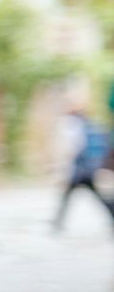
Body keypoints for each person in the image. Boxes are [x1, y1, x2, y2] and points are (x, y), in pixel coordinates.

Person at [52, 94, 114, 233]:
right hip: (87, 169)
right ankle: (57, 222)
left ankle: (57, 222)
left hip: (78, 169)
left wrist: (63, 166)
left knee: (69, 196)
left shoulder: (71, 124)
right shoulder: (87, 123)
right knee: (95, 196)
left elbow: (72, 148)